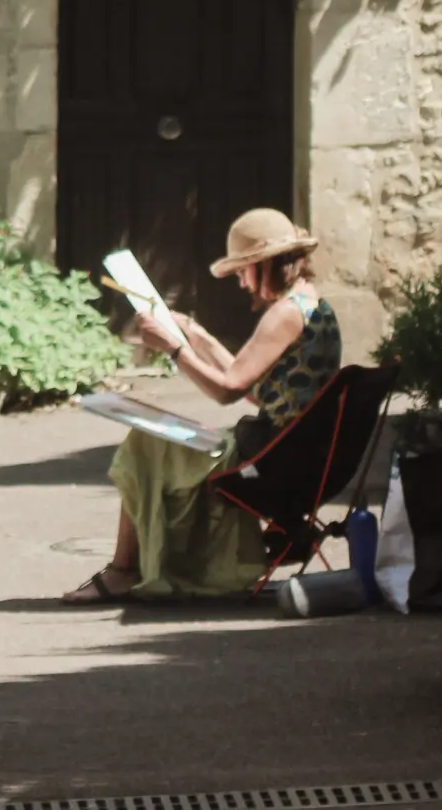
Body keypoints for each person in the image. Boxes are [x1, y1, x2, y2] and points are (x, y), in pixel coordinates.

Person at [61, 208, 342, 604]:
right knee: (154, 436)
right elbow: (255, 389)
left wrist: (173, 348)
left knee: (145, 443)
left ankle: (123, 571)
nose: (242, 283)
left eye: (243, 270)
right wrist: (197, 336)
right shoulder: (310, 304)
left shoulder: (285, 314)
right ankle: (134, 565)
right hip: (294, 452)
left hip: (273, 459)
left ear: (264, 265)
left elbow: (227, 391)